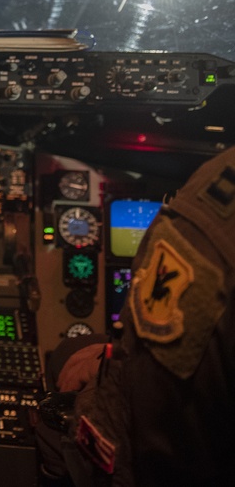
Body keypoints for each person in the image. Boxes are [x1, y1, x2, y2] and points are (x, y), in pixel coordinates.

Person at [38, 146, 235, 487]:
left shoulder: (217, 203)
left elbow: (151, 419)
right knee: (78, 351)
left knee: (59, 396)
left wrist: (116, 369)